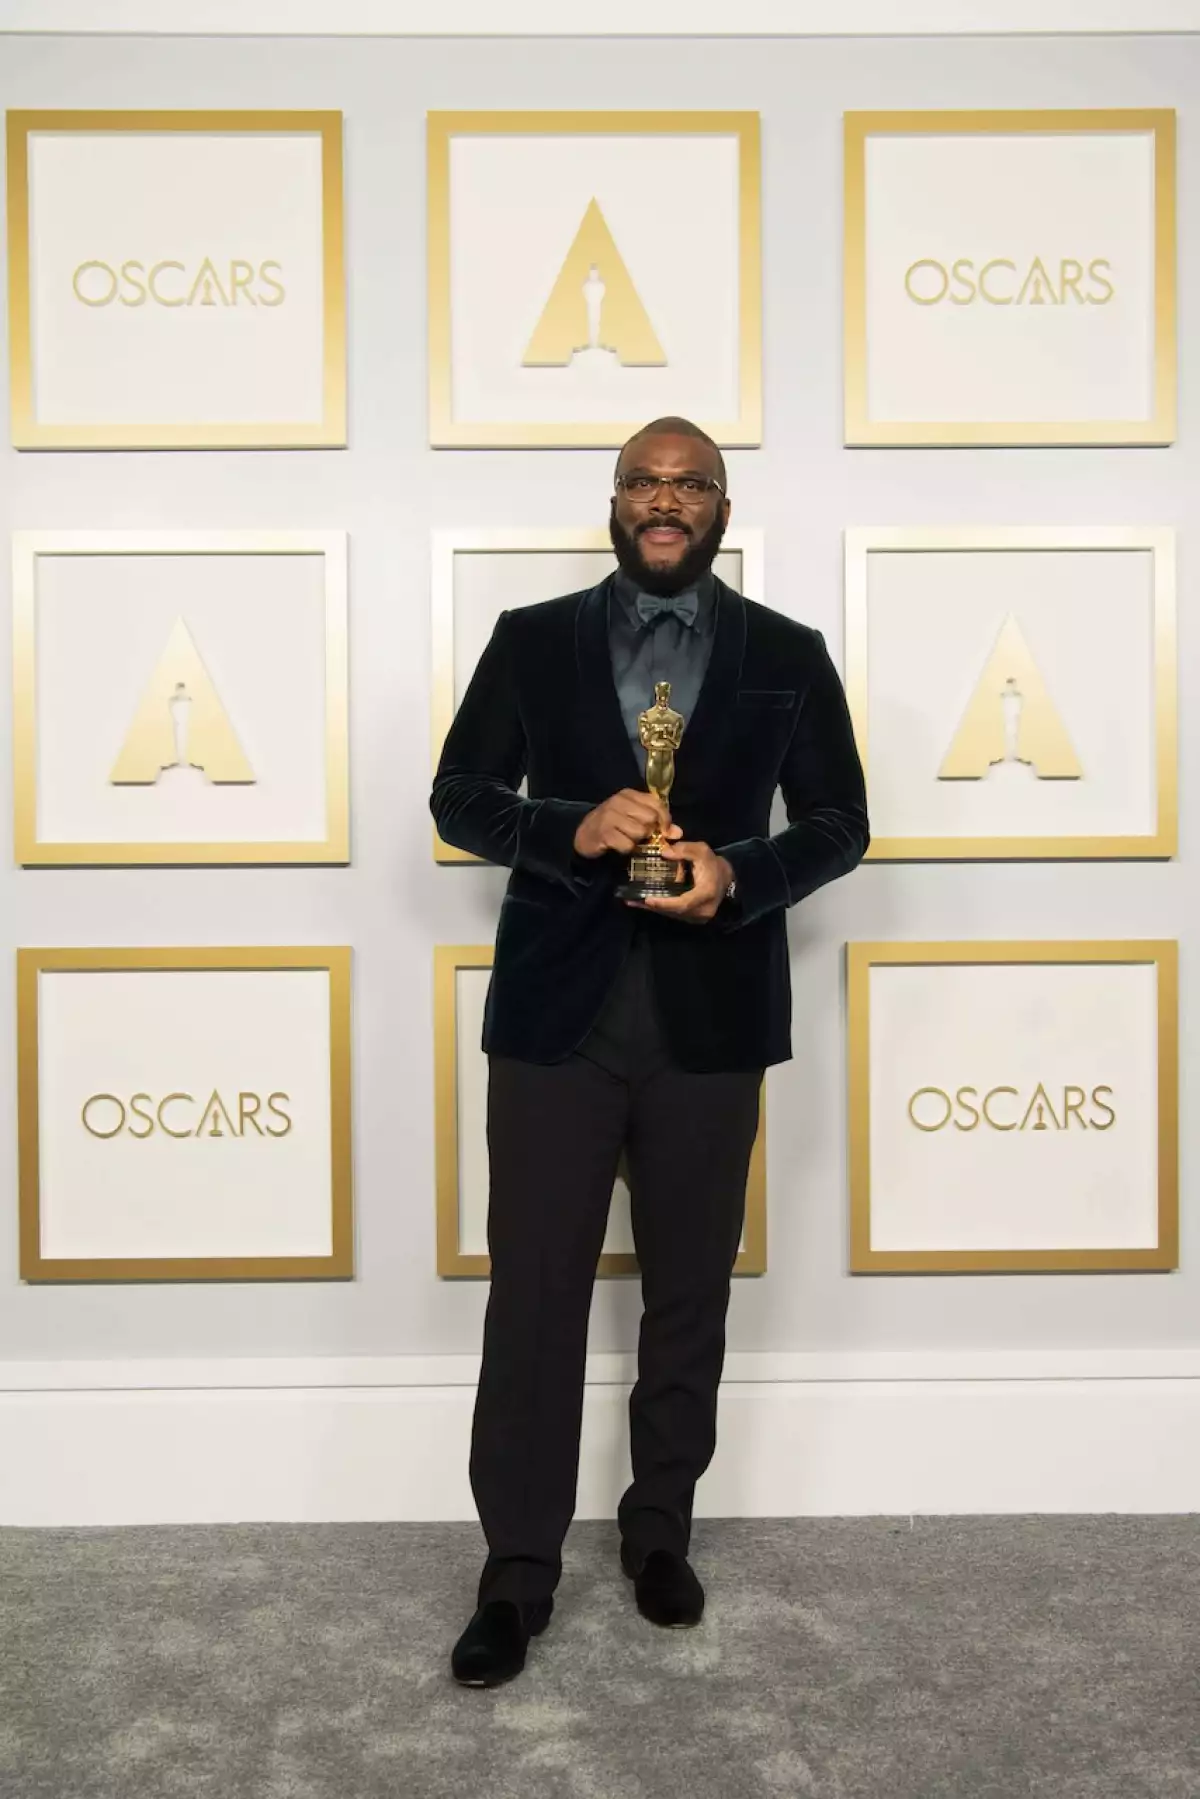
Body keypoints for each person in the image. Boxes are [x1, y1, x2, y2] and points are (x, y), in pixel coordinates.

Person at [431, 416, 869, 1688]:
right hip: (555, 1023)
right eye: (644, 481)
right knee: (535, 1295)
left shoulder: (789, 654)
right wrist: (571, 825)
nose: (664, 501)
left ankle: (659, 1530)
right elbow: (461, 796)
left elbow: (842, 821)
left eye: (689, 484)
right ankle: (515, 1574)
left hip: (711, 1016)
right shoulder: (532, 638)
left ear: (721, 505)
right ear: (613, 498)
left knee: (689, 1293)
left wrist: (740, 870)